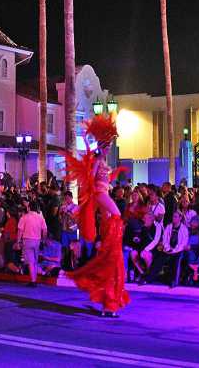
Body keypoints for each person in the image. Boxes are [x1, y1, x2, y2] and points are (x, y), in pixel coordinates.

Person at [67, 114, 130, 317]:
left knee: (116, 221)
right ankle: (110, 241)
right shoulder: (96, 159)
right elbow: (91, 180)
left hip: (104, 197)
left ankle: (108, 303)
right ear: (102, 145)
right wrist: (97, 160)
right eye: (108, 145)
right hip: (100, 194)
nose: (110, 148)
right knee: (118, 215)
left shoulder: (102, 159)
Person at [143, 210, 188, 287]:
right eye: (173, 217)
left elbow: (183, 243)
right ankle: (149, 278)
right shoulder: (169, 226)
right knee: (159, 259)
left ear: (180, 218)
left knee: (177, 260)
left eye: (176, 217)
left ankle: (174, 281)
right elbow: (165, 239)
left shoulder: (184, 229)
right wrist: (167, 248)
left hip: (178, 250)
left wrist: (174, 250)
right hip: (168, 249)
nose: (173, 218)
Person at [17, 200, 47, 286]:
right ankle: (34, 279)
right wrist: (43, 240)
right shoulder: (40, 217)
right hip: (37, 240)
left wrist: (18, 241)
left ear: (28, 207)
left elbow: (20, 230)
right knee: (34, 261)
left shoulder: (24, 217)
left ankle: (33, 280)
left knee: (30, 261)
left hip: (27, 240)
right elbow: (45, 230)